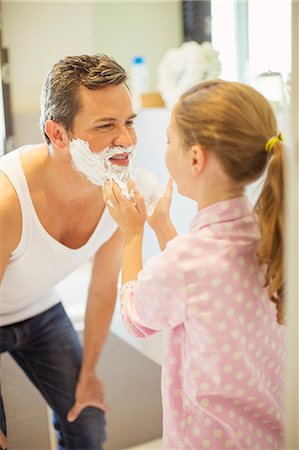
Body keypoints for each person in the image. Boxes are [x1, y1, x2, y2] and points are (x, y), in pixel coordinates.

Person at [103, 79, 286, 449]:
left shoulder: (187, 262)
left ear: (196, 158)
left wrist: (132, 235)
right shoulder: (267, 234)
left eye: (169, 141)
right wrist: (164, 227)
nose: (164, 149)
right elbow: (200, 289)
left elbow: (137, 318)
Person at [0, 54, 137, 450]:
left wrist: (89, 372)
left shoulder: (118, 192)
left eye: (128, 122)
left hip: (38, 311)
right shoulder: (8, 203)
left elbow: (102, 287)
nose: (126, 140)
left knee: (88, 420)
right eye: (106, 125)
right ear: (57, 135)